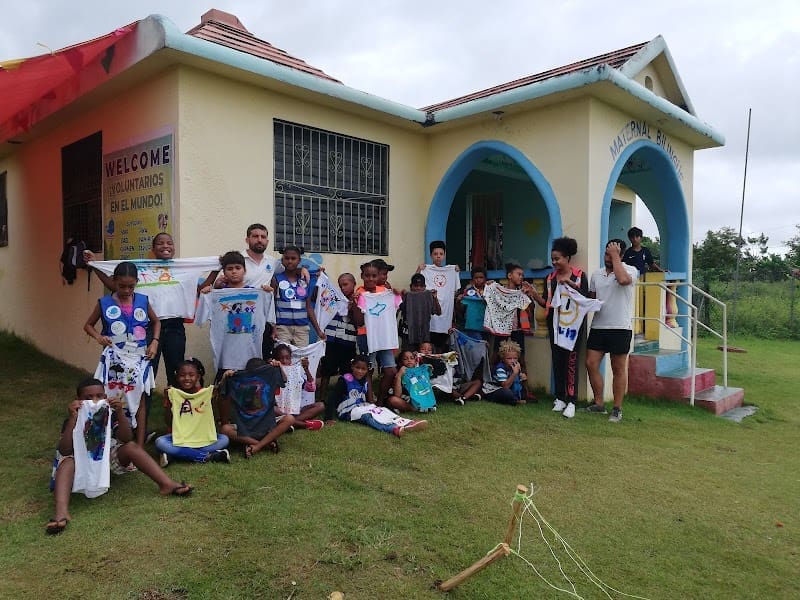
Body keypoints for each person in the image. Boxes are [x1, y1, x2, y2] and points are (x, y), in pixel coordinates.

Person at [46, 378, 193, 534]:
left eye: (99, 396)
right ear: (78, 400)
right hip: (78, 462)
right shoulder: (73, 418)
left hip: (104, 458)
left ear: (105, 397)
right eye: (88, 398)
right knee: (67, 462)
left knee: (131, 447)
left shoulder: (109, 414)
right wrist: (73, 419)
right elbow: (65, 450)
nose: (95, 401)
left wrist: (120, 413)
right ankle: (61, 512)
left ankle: (166, 484)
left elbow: (126, 438)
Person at [86, 233, 220, 388]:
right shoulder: (140, 269)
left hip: (175, 327)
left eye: (169, 243)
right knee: (147, 370)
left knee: (176, 372)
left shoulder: (183, 270)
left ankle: (174, 403)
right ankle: (144, 402)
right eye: (160, 243)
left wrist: (217, 268)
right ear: (153, 249)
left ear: (174, 247)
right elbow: (114, 285)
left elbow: (198, 289)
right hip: (148, 327)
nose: (165, 246)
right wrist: (95, 265)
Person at [83, 261, 160, 446]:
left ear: (136, 283)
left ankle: (139, 445)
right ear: (113, 281)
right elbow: (88, 325)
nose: (126, 290)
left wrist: (154, 342)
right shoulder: (104, 303)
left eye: (131, 286)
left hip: (139, 357)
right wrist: (98, 337)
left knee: (140, 398)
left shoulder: (143, 300)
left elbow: (156, 322)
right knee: (110, 396)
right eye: (121, 286)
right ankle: (107, 441)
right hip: (114, 357)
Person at [529, 237, 590, 419]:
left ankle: (572, 401)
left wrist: (572, 286)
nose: (554, 262)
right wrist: (534, 295)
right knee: (557, 360)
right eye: (553, 259)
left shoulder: (579, 276)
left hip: (572, 326)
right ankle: (560, 398)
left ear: (567, 258)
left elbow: (585, 300)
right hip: (554, 325)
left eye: (557, 259)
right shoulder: (550, 278)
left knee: (571, 362)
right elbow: (547, 303)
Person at [197, 251, 276, 383]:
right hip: (226, 355)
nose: (234, 271)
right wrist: (206, 294)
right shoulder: (216, 295)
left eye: (238, 268)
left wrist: (268, 294)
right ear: (224, 272)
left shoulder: (259, 294)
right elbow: (200, 318)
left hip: (251, 353)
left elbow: (271, 319)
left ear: (245, 270)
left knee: (250, 388)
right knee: (225, 388)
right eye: (230, 269)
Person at [585, 239, 639, 422]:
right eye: (607, 254)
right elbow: (592, 298)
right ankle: (598, 403)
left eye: (613, 254)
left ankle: (617, 408)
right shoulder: (596, 274)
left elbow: (623, 280)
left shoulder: (630, 270)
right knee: (590, 363)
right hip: (598, 326)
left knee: (618, 368)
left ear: (621, 255)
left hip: (620, 327)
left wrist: (616, 257)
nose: (608, 258)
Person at [325, 355, 428, 436]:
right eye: (357, 368)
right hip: (347, 411)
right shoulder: (345, 380)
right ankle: (393, 429)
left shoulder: (364, 381)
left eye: (363, 369)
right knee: (368, 416)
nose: (360, 371)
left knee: (381, 410)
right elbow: (331, 398)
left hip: (361, 407)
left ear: (367, 370)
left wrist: (372, 406)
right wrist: (328, 418)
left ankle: (407, 423)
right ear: (352, 367)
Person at [155, 358, 230, 466]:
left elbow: (213, 417)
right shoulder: (173, 394)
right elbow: (168, 422)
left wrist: (212, 400)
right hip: (180, 439)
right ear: (177, 377)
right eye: (182, 375)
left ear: (198, 377)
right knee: (160, 442)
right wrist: (169, 402)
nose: (187, 378)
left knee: (224, 439)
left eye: (191, 375)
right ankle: (207, 456)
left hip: (201, 438)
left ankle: (178, 455)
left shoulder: (204, 393)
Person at [219, 358, 295, 458]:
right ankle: (264, 444)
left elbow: (284, 380)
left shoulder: (270, 378)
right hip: (245, 427)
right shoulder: (237, 381)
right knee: (225, 429)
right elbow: (221, 393)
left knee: (290, 419)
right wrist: (225, 378)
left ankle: (257, 445)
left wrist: (279, 367)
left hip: (266, 424)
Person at [353, 261, 400, 404]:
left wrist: (398, 294)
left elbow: (397, 304)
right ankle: (369, 400)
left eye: (374, 276)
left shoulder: (385, 291)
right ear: (362, 276)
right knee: (368, 370)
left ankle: (380, 402)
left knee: (391, 371)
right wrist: (356, 304)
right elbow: (359, 321)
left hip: (384, 336)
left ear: (378, 276)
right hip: (366, 336)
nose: (371, 279)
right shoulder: (360, 293)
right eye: (367, 276)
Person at [316, 273, 359, 400]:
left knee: (347, 371)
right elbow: (318, 299)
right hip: (331, 340)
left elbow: (359, 322)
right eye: (340, 286)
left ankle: (346, 397)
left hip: (348, 342)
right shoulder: (333, 298)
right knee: (326, 370)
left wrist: (353, 307)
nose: (343, 288)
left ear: (354, 284)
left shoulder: (358, 300)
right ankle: (322, 398)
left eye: (345, 284)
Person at [271, 245, 323, 347]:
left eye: (293, 258)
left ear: (299, 261)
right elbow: (272, 306)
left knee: (302, 355)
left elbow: (308, 307)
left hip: (302, 329)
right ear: (282, 260)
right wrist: (274, 327)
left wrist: (318, 331)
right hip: (282, 328)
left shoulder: (305, 280)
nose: (290, 261)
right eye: (287, 258)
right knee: (283, 355)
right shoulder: (276, 279)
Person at [417, 241, 460, 352]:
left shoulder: (451, 270)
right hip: (430, 316)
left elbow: (456, 291)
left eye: (441, 254)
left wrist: (456, 271)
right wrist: (419, 270)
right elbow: (416, 285)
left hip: (446, 317)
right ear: (431, 255)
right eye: (435, 254)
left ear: (444, 255)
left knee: (442, 347)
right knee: (428, 345)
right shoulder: (425, 270)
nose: (438, 256)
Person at [272, 343, 325, 430]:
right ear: (276, 360)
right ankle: (304, 425)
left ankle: (290, 423)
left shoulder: (295, 373)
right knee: (272, 409)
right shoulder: (272, 372)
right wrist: (277, 367)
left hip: (295, 410)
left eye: (287, 358)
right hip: (280, 410)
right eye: (281, 358)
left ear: (291, 359)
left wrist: (306, 369)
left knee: (320, 405)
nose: (284, 361)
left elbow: (311, 388)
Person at [417, 341, 483, 405]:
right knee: (448, 389)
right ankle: (465, 397)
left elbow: (451, 363)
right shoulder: (417, 361)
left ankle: (464, 398)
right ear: (419, 350)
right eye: (423, 349)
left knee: (478, 382)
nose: (426, 351)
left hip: (455, 384)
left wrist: (448, 356)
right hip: (440, 386)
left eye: (429, 350)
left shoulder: (439, 360)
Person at [400, 273, 441, 348]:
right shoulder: (406, 296)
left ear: (425, 287)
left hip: (423, 335)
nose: (418, 288)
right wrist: (402, 297)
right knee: (408, 354)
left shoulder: (428, 297)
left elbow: (438, 312)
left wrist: (435, 298)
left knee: (422, 354)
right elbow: (399, 309)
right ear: (411, 286)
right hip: (408, 335)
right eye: (416, 286)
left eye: (421, 286)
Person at [485, 339, 527, 405]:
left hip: (509, 387)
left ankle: (516, 399)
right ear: (503, 359)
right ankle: (515, 401)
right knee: (507, 393)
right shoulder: (500, 368)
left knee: (523, 391)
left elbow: (517, 383)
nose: (512, 361)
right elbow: (505, 386)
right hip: (495, 390)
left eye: (515, 358)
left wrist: (522, 377)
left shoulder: (516, 366)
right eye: (509, 358)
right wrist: (514, 373)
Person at [456, 267, 488, 341]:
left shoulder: (490, 291)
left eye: (481, 277)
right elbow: (462, 309)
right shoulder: (467, 292)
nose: (478, 280)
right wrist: (458, 302)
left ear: (485, 279)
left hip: (487, 326)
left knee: (488, 345)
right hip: (472, 325)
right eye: (476, 278)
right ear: (472, 279)